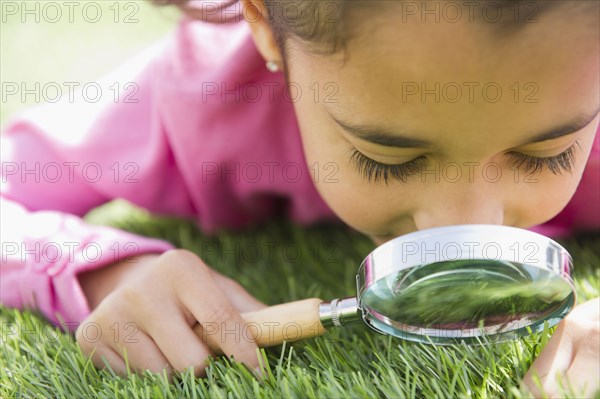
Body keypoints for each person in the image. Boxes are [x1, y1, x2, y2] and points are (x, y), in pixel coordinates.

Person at [1, 0, 598, 396]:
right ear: (266, 31)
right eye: (387, 157)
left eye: (546, 154)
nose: (466, 226)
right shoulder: (206, 99)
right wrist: (113, 270)